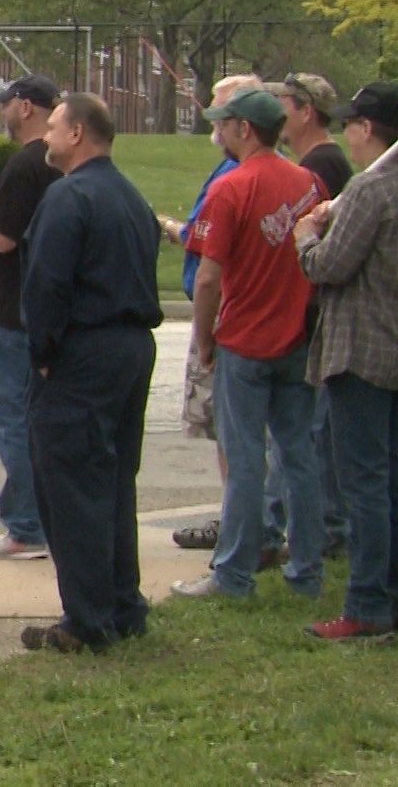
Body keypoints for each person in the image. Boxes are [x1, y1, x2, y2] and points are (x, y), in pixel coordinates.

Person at [293, 82, 398, 640]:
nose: (349, 134)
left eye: (354, 124)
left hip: (362, 350)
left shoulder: (369, 189)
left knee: (365, 484)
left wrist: (308, 236)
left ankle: (368, 604)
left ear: (368, 129)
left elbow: (329, 266)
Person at [18, 93, 163, 653]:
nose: (46, 137)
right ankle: (122, 603)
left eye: (53, 127)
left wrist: (44, 350)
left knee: (71, 486)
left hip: (82, 351)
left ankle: (86, 620)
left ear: (78, 133)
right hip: (129, 347)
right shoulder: (129, 195)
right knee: (112, 480)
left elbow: (47, 283)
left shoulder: (68, 196)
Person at [170, 88, 328, 601]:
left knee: (243, 463)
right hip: (296, 339)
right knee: (297, 457)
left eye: (225, 123)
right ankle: (306, 569)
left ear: (245, 129)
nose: (219, 131)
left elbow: (210, 277)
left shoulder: (231, 188)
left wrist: (205, 338)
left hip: (243, 340)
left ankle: (233, 574)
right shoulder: (308, 182)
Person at [0, 74, 63, 561]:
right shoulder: (62, 162)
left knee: (12, 420)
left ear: (26, 107)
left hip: (10, 311)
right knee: (39, 421)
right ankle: (47, 519)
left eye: (7, 104)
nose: (2, 112)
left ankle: (27, 527)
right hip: (44, 307)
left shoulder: (26, 164)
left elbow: (3, 237)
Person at [157, 74, 255, 553]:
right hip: (238, 319)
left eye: (218, 114)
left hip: (224, 320)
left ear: (243, 122)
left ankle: (239, 533)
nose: (209, 122)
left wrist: (172, 228)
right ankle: (245, 524)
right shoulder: (260, 174)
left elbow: (208, 250)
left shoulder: (233, 180)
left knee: (229, 431)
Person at [265, 72, 354, 554]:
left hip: (314, 319)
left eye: (284, 103)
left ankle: (324, 530)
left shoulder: (323, 166)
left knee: (310, 434)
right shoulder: (319, 160)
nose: (279, 113)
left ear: (304, 111)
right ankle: (317, 526)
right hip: (308, 317)